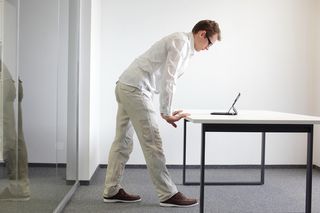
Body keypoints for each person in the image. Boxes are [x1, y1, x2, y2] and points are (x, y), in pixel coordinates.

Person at [103, 20, 221, 207]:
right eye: (210, 43)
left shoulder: (184, 45)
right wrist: (166, 112)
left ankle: (111, 190)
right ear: (202, 34)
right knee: (153, 142)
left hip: (127, 85)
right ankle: (168, 194)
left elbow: (165, 78)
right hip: (136, 89)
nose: (208, 49)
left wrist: (167, 107)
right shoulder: (181, 42)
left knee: (123, 141)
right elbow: (169, 78)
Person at [0, 60, 31, 201]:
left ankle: (16, 187)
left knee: (9, 137)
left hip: (4, 81)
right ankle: (20, 186)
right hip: (11, 80)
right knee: (16, 136)